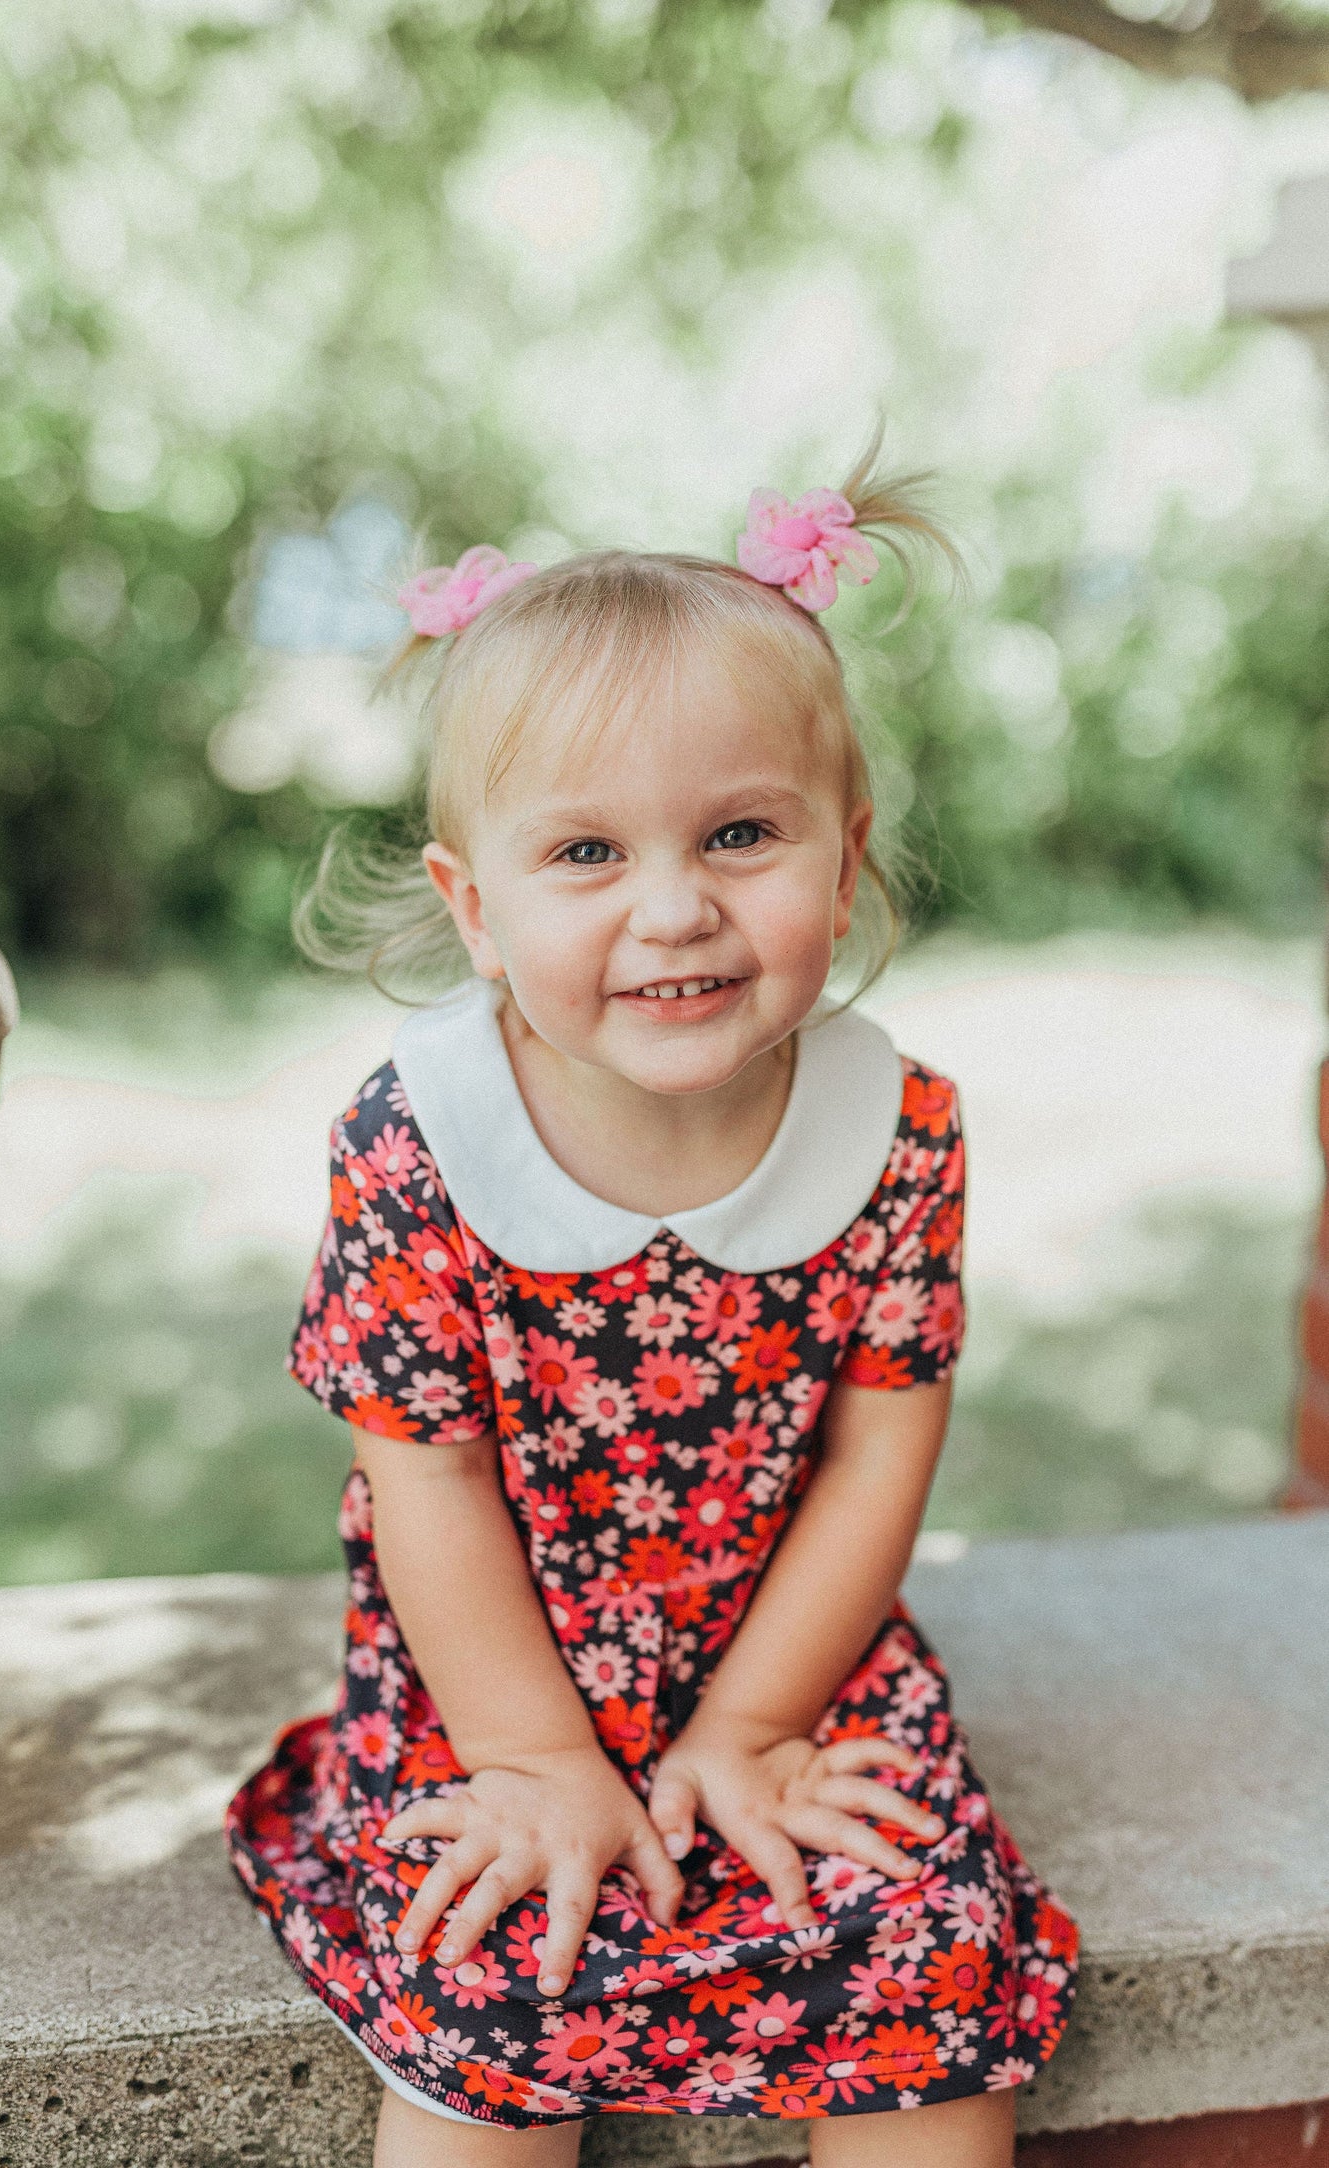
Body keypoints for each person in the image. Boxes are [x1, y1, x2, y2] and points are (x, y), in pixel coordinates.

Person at [226, 448, 1078, 2166]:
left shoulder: (895, 1130)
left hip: (794, 1656)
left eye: (742, 835)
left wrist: (754, 1726)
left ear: (842, 869)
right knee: (501, 1969)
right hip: (495, 1674)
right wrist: (540, 1763)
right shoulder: (421, 1147)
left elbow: (873, 1450)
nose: (675, 905)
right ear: (474, 906)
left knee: (925, 1958)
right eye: (588, 851)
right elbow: (431, 1485)